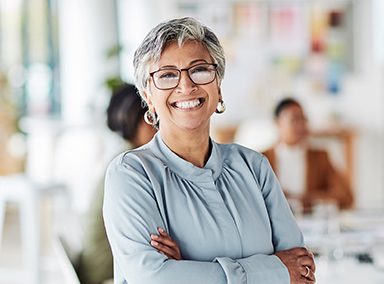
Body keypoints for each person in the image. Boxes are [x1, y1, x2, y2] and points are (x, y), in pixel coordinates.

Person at [103, 17, 316, 284]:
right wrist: (272, 270)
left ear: (218, 86)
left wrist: (189, 271)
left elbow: (300, 270)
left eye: (200, 70)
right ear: (148, 97)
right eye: (167, 74)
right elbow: (153, 278)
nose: (186, 86)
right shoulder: (131, 174)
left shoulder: (254, 166)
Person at [76, 83, 157, 284]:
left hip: (98, 268)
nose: (158, 125)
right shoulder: (132, 166)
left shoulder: (124, 157)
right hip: (108, 275)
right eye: (151, 118)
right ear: (134, 121)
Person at [262, 97, 354, 212]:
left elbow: (346, 195)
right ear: (278, 123)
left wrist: (314, 199)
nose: (301, 126)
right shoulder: (261, 159)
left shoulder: (320, 157)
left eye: (304, 119)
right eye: (294, 120)